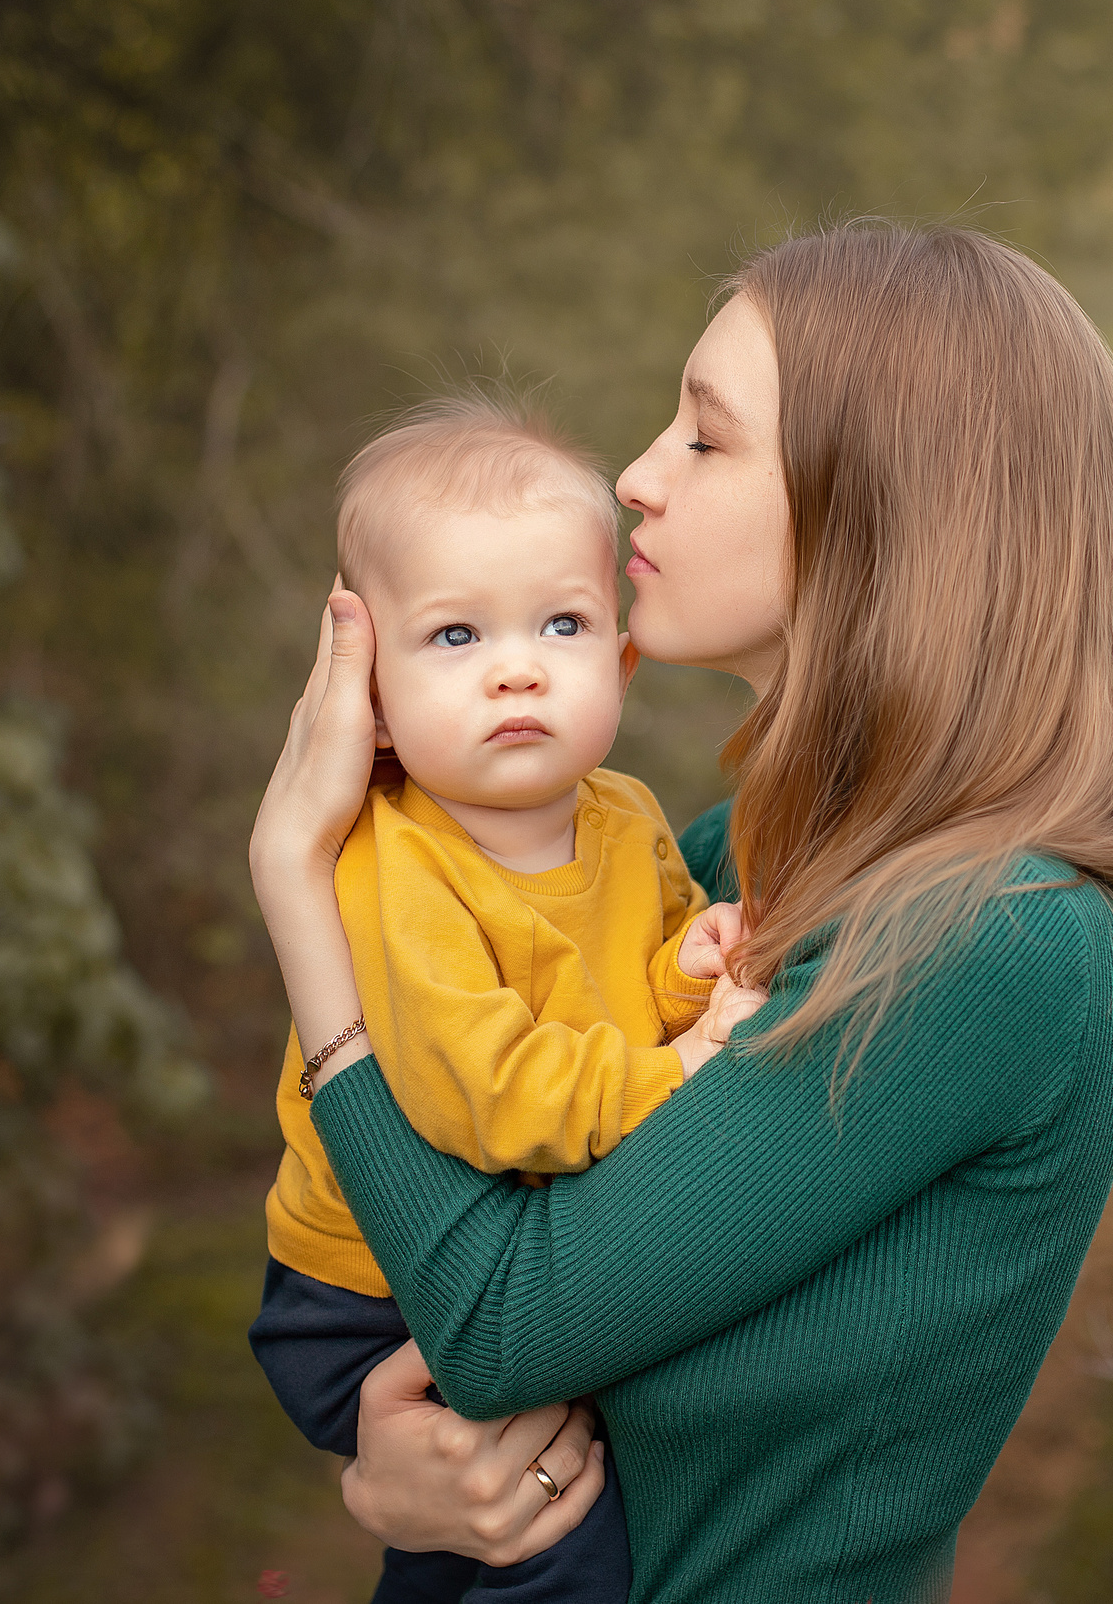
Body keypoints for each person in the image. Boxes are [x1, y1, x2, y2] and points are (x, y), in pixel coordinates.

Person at [251, 221, 1113, 1603]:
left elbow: (505, 1320)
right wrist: (386, 1470)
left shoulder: (996, 937)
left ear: (886, 501)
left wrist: (302, 889)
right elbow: (442, 1275)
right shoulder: (724, 855)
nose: (636, 477)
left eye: (705, 439)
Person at [246, 396, 761, 1604]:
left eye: (562, 623)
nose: (518, 664)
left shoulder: (624, 816)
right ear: (366, 697)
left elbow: (625, 982)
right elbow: (483, 1093)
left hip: (494, 1249)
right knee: (564, 1537)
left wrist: (688, 970)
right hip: (363, 1297)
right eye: (457, 637)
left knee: (483, 1538)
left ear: (617, 663)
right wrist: (683, 1072)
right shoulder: (391, 866)